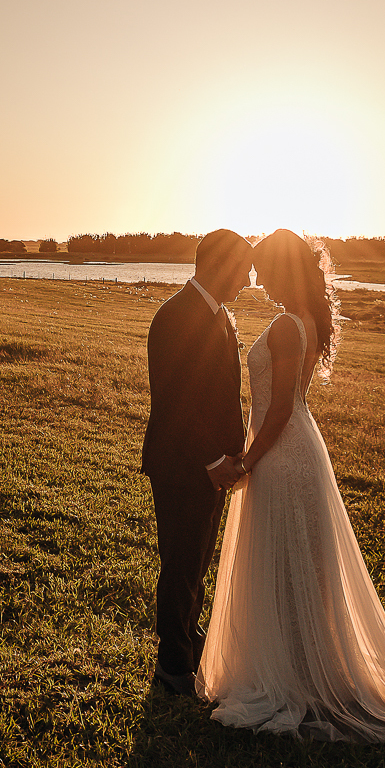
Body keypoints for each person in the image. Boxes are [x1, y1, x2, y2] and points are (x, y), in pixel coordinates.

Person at [196, 229, 385, 743]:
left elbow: (281, 408)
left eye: (263, 266)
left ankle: (296, 678)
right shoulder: (301, 318)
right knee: (295, 564)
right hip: (292, 449)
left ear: (284, 269)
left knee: (289, 563)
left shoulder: (287, 326)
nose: (256, 277)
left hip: (283, 454)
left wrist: (247, 461)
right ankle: (300, 666)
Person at [141, 229, 254, 696]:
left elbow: (221, 394)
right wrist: (211, 460)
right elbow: (176, 403)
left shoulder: (220, 315)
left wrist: (232, 456)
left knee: (199, 560)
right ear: (220, 266)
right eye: (244, 269)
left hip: (213, 467)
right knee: (181, 562)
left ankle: (188, 636)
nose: (248, 280)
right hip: (181, 465)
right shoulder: (175, 316)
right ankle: (173, 665)